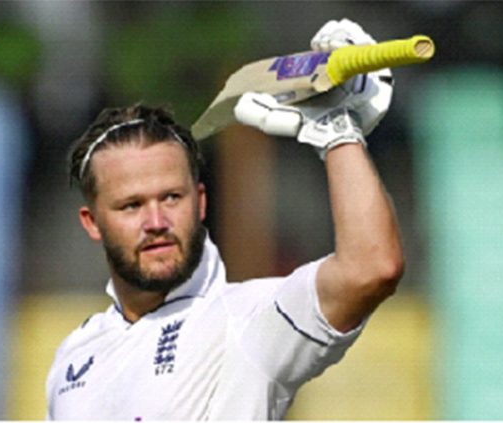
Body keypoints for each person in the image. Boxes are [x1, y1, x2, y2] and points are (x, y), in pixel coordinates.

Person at [46, 18, 404, 420]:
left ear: (199, 203)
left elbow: (372, 268)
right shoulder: (74, 356)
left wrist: (337, 131)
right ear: (92, 222)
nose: (156, 220)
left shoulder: (246, 321)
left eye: (171, 197)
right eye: (132, 206)